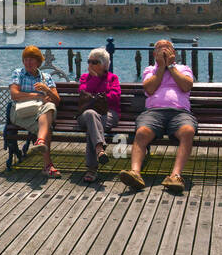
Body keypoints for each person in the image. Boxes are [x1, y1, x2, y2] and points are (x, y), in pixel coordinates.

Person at [120, 39, 196, 194]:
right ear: (154, 54)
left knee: (188, 131)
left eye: (167, 48)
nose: (163, 50)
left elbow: (186, 85)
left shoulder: (184, 68)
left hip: (180, 112)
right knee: (141, 132)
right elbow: (149, 89)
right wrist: (161, 67)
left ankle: (175, 176)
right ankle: (135, 173)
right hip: (154, 112)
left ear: (174, 53)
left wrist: (171, 66)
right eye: (159, 48)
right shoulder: (150, 70)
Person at [10, 45, 62, 178]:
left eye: (31, 59)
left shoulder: (46, 78)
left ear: (38, 61)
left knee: (50, 106)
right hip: (21, 113)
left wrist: (47, 89)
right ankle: (47, 162)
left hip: (41, 113)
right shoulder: (18, 73)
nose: (28, 62)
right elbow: (14, 95)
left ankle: (41, 145)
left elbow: (57, 100)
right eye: (26, 59)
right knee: (46, 127)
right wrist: (37, 95)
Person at [77, 47, 120, 184]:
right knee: (91, 115)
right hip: (85, 114)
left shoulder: (112, 78)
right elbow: (83, 92)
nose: (91, 64)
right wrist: (95, 79)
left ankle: (92, 169)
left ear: (104, 64)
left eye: (95, 62)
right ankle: (100, 150)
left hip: (108, 113)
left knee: (93, 126)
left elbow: (115, 96)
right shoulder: (84, 77)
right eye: (89, 61)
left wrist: (95, 97)